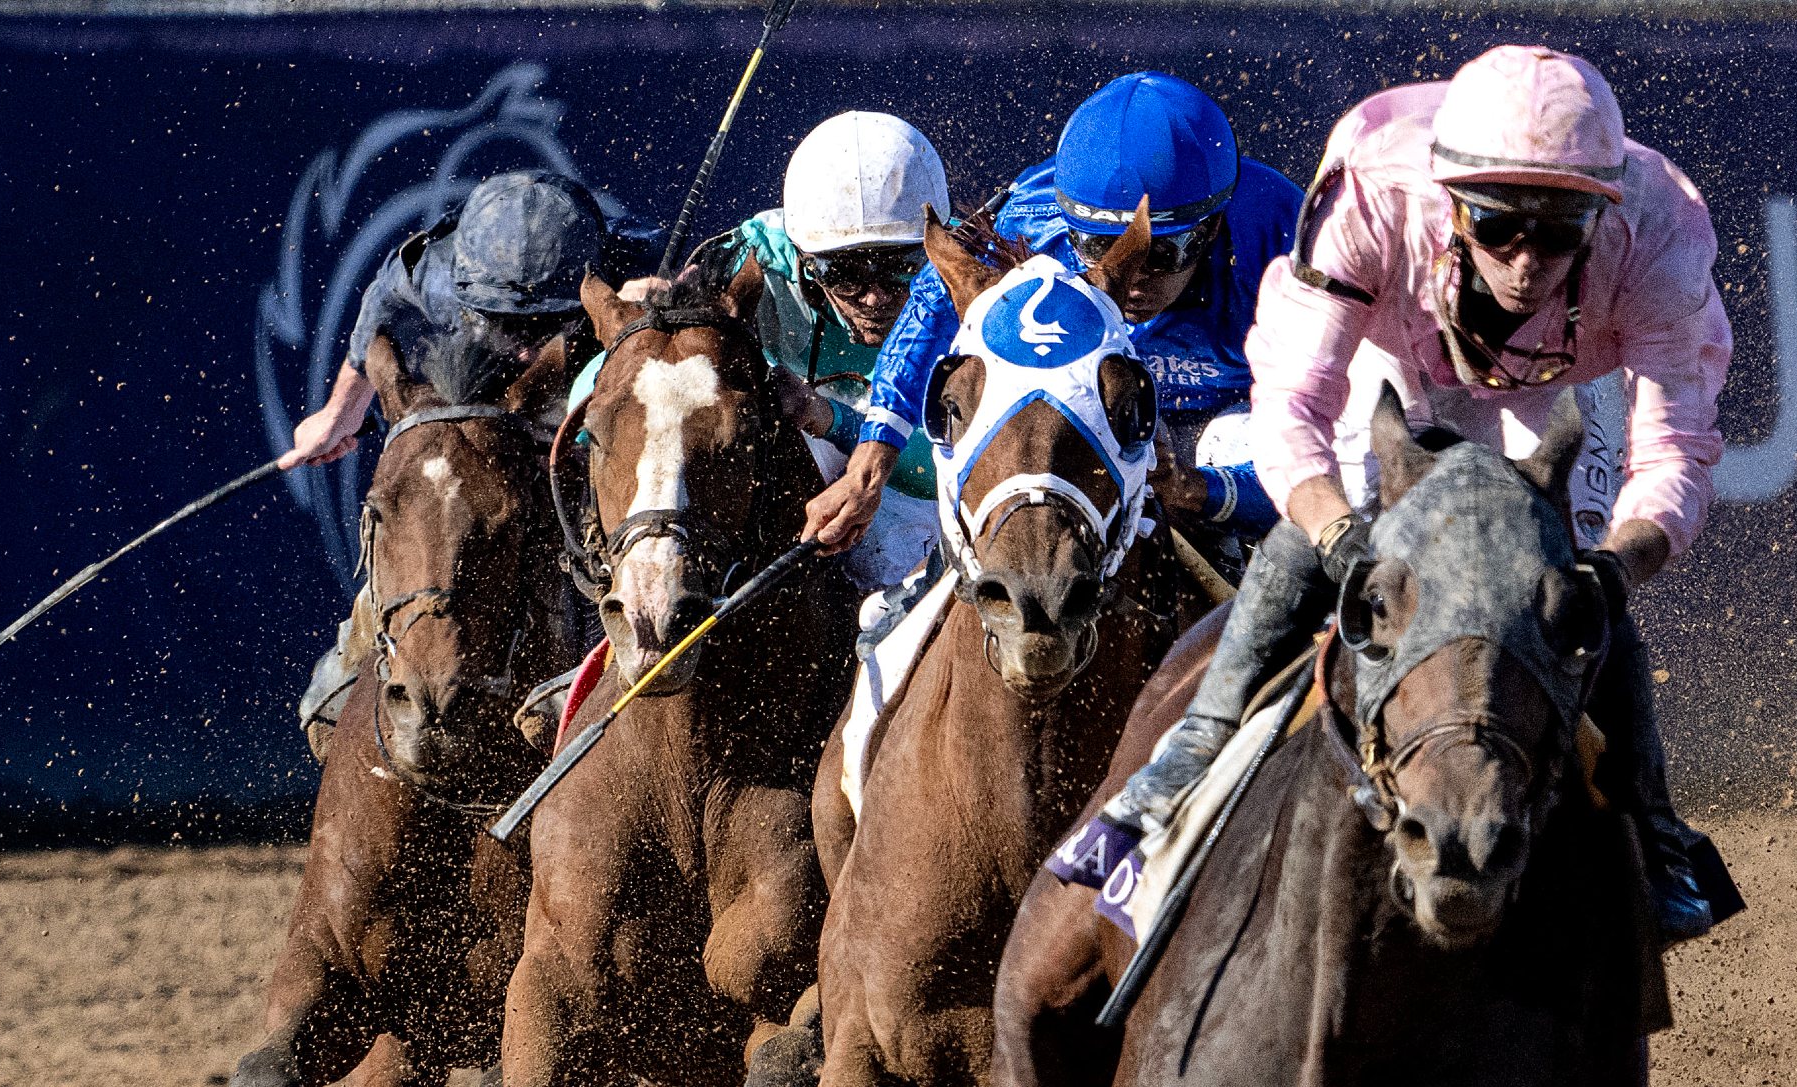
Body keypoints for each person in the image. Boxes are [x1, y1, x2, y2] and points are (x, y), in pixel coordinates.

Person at [1077, 45, 1738, 940]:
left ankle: (1655, 834)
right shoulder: (1373, 189)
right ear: (1450, 200)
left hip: (1567, 389)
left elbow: (1674, 457)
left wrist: (1614, 571)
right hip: (1393, 359)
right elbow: (1295, 402)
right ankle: (1185, 756)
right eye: (1500, 224)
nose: (1526, 260)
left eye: (1560, 229)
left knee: (1568, 589)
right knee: (1311, 549)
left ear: (1604, 214)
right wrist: (1338, 532)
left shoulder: (1660, 230)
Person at [806, 72, 1301, 570]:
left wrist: (1198, 489)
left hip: (1236, 423)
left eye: (1162, 253)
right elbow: (936, 299)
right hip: (1092, 413)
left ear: (1213, 226)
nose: (1130, 278)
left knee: (1229, 442)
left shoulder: (1286, 244)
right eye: (1096, 248)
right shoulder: (1034, 214)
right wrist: (871, 462)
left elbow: (1343, 449)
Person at [287, 170, 656, 757]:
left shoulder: (640, 258)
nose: (528, 346)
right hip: (485, 427)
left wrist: (662, 305)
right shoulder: (422, 274)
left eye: (545, 324)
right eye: (511, 325)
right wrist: (338, 414)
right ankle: (362, 646)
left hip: (589, 432)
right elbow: (369, 337)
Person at [586, 110, 954, 592]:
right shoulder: (741, 261)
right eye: (845, 272)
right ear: (803, 255)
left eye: (901, 266)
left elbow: (954, 464)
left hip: (912, 474)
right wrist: (631, 341)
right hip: (790, 460)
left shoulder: (968, 274)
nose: (875, 297)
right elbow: (592, 405)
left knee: (893, 552)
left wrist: (827, 416)